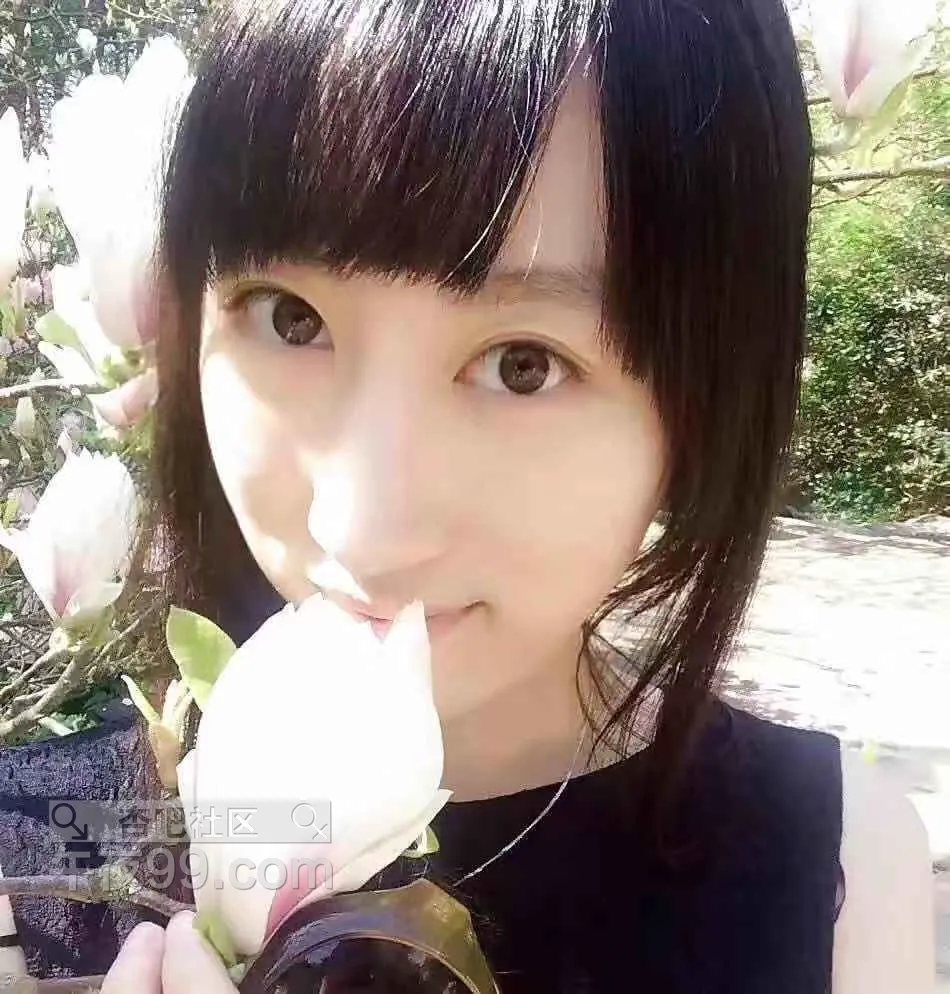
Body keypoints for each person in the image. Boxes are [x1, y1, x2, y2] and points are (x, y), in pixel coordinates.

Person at [0, 0, 937, 991]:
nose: (360, 530)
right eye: (290, 317)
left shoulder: (831, 877)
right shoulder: (49, 855)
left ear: (706, 404)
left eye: (523, 365)